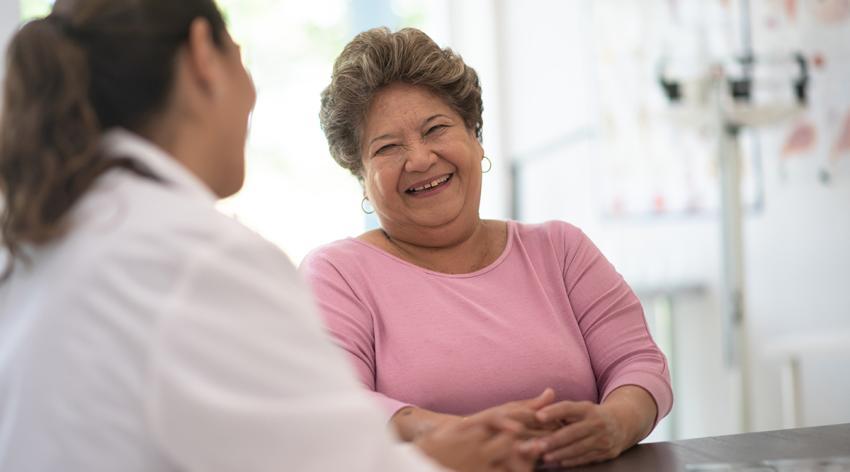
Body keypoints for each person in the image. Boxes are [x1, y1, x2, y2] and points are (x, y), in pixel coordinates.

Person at [0, 3, 539, 471]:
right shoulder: (196, 257)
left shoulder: (46, 236)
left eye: (437, 128)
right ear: (203, 57)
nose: (252, 95)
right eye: (239, 55)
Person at [302, 26, 674, 469]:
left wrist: (616, 423)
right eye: (387, 148)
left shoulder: (560, 249)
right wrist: (444, 434)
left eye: (435, 129)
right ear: (361, 176)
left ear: (475, 138)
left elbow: (639, 362)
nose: (419, 159)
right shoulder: (337, 273)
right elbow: (335, 402)